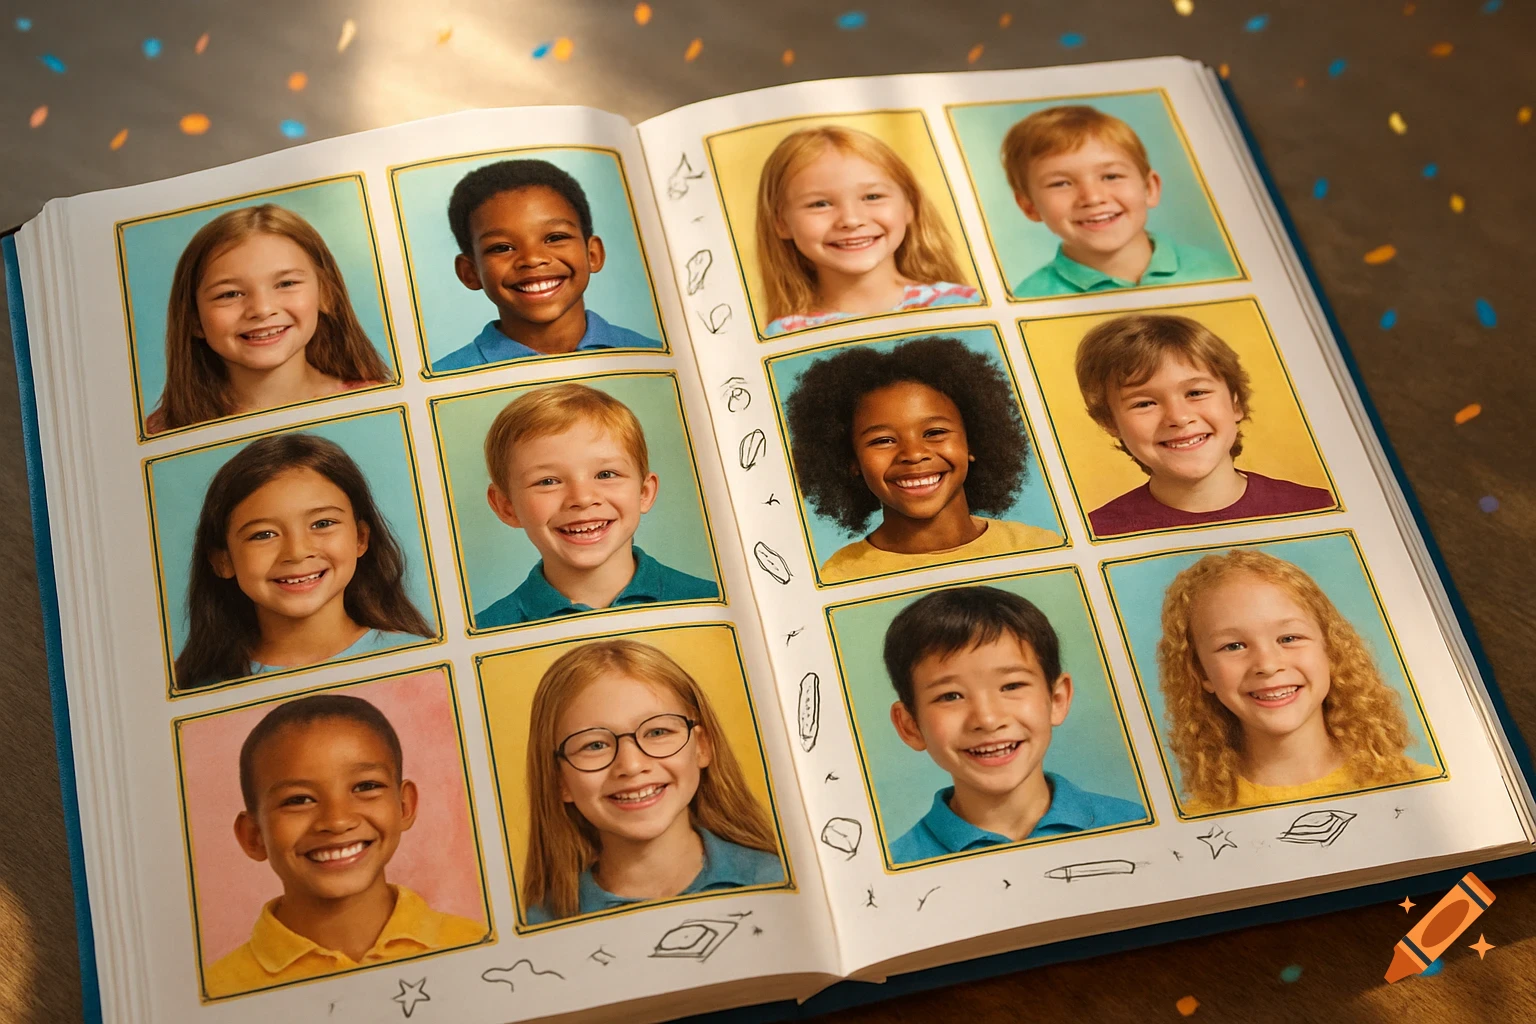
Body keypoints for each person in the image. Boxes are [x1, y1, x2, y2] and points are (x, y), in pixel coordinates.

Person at [204, 694, 485, 997]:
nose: (337, 821)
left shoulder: (477, 944)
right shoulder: (220, 991)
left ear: (404, 805)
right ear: (253, 836)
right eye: (299, 800)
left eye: (365, 786)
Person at [1157, 548, 1441, 814]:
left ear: (1330, 649)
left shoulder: (1422, 789)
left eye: (1289, 638)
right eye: (1233, 646)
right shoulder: (1199, 821)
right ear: (1201, 673)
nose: (1267, 665)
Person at [521, 639, 783, 922]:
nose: (631, 766)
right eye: (595, 745)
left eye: (657, 732)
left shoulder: (778, 879)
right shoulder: (542, 921)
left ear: (702, 747)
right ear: (559, 779)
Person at [883, 586, 1146, 865]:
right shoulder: (897, 866)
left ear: (1056, 700)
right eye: (951, 696)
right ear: (910, 725)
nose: (987, 719)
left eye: (1011, 686)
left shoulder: (1139, 823)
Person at [784, 336, 1062, 584]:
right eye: (883, 440)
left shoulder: (1044, 549)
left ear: (973, 441)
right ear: (851, 460)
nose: (914, 454)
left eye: (935, 432)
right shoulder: (838, 579)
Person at [173, 433, 435, 690]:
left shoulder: (423, 660)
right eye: (264, 534)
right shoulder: (189, 685)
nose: (297, 552)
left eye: (322, 524)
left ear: (361, 538)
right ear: (222, 560)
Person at [477, 384, 718, 627]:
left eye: (605, 474)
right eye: (548, 481)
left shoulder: (713, 602)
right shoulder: (487, 629)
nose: (582, 498)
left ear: (644, 493)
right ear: (506, 507)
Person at [1074, 312, 1334, 536]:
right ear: (1111, 423)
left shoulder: (1320, 507)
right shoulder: (1096, 530)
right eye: (1144, 403)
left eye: (1196, 393)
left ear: (1236, 404)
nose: (1178, 417)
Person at [146, 204, 392, 434]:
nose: (262, 309)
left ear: (325, 294)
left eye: (286, 284)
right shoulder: (158, 434)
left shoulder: (381, 408)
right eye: (230, 294)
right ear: (194, 319)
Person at [433, 159, 662, 370]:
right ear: (470, 272)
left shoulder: (655, 356)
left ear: (592, 254)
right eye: (502, 247)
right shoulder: (446, 376)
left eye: (555, 238)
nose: (532, 259)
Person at [755, 125, 979, 336]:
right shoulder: (785, 336)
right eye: (820, 204)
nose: (851, 220)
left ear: (910, 206)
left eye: (872, 197)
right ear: (781, 223)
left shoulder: (963, 307)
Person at [1002, 105, 1232, 297]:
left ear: (1149, 188)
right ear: (1029, 206)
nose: (1092, 198)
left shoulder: (1220, 272)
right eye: (1061, 183)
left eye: (1111, 176)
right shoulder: (1030, 300)